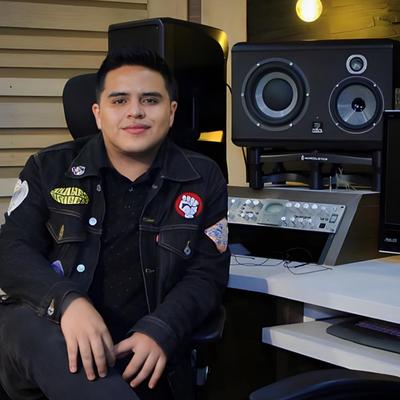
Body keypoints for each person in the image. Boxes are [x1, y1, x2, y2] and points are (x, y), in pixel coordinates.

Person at [0, 48, 230, 400]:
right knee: (42, 334)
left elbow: (207, 274)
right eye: (119, 100)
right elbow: (10, 250)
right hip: (52, 337)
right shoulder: (48, 168)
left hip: (141, 356)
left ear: (171, 112)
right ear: (98, 113)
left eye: (150, 100)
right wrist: (68, 303)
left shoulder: (203, 177)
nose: (135, 111)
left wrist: (162, 329)